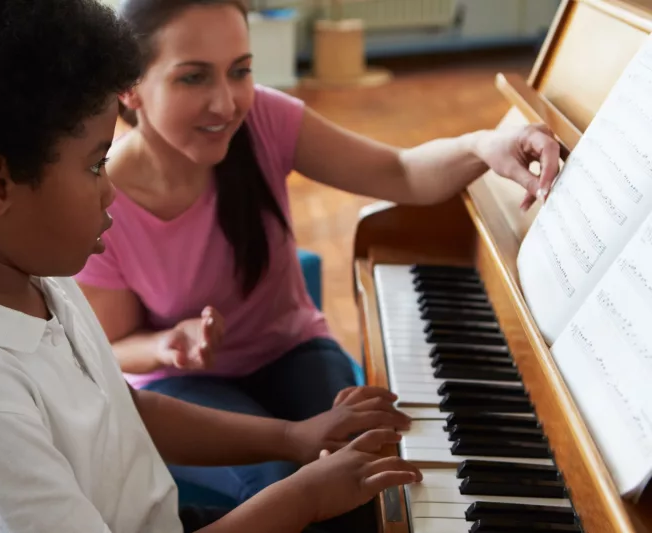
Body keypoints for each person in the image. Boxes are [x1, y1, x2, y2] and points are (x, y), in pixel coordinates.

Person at [0, 1, 423, 532]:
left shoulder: (31, 277)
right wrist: (305, 498)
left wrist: (294, 437)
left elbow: (123, 410)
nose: (110, 192)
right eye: (95, 165)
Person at [75, 0, 561, 508]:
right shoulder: (103, 198)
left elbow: (400, 172)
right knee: (280, 486)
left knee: (362, 460)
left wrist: (483, 145)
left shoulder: (263, 118)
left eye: (240, 71)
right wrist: (167, 344)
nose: (226, 103)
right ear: (130, 88)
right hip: (182, 384)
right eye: (193, 77)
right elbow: (112, 347)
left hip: (291, 349)